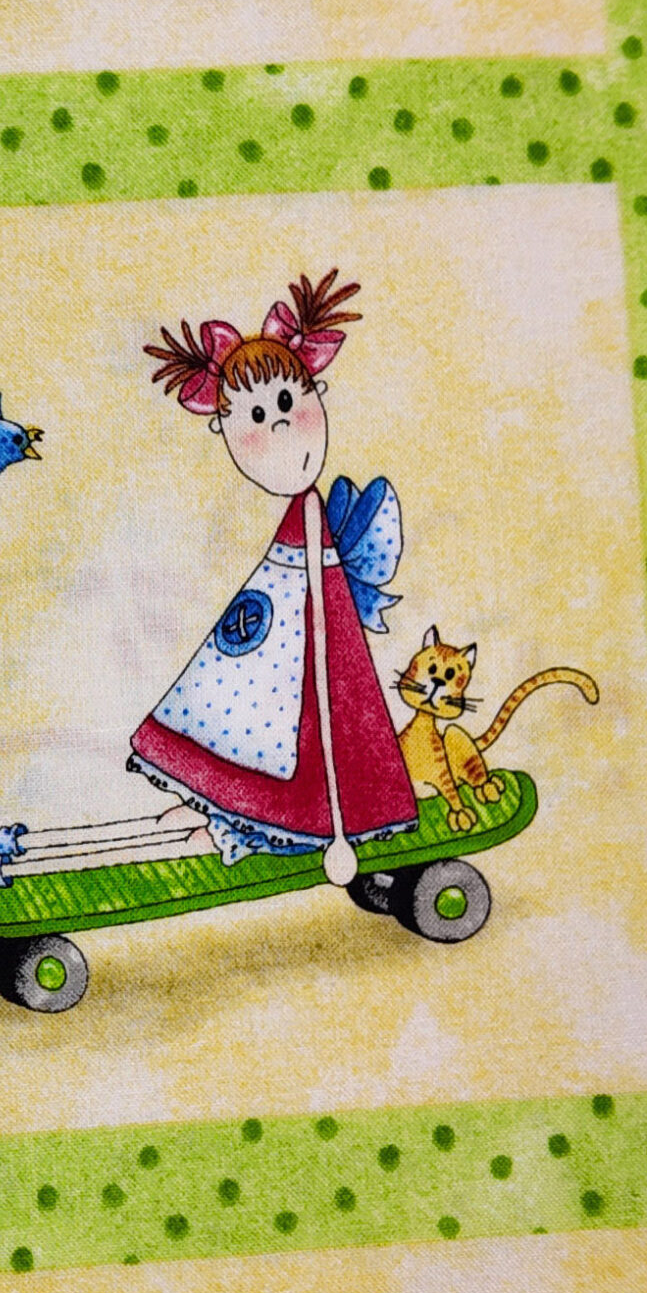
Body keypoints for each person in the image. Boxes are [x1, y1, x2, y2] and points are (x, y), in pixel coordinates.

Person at [127, 273, 418, 873]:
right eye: (256, 415)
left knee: (307, 722)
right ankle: (231, 810)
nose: (279, 424)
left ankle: (289, 824)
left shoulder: (309, 518)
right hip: (279, 623)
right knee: (242, 705)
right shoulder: (289, 518)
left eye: (287, 403)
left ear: (314, 390)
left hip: (311, 642)